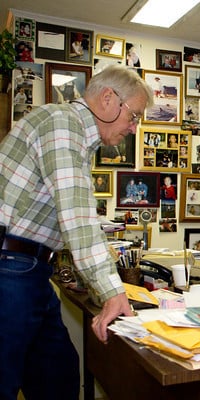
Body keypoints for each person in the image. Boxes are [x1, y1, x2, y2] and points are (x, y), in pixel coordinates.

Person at [0, 64, 153, 399]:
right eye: (134, 115)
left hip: (30, 269)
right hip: (9, 266)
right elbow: (77, 215)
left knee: (59, 376)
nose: (133, 127)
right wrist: (113, 292)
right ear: (108, 99)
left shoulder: (79, 139)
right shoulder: (63, 123)